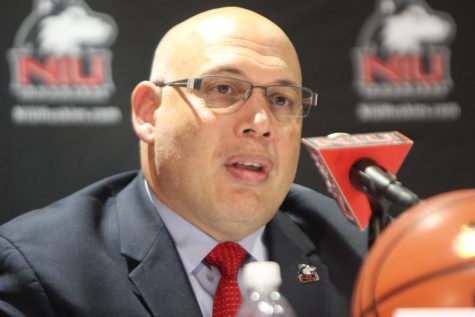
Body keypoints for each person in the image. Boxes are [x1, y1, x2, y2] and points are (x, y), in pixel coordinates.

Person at [0, 6, 366, 317]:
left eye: (282, 100)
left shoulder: (360, 250)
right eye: (223, 89)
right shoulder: (43, 271)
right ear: (149, 112)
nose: (261, 123)